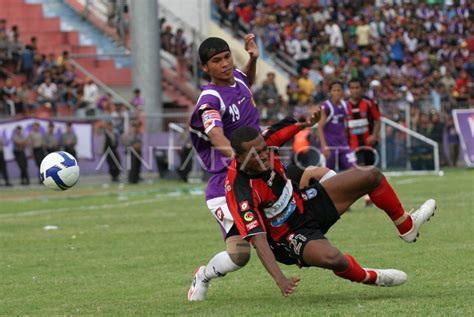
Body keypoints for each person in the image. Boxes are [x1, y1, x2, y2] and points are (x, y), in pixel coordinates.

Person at [225, 113, 436, 297]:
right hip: (287, 236)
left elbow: (292, 125)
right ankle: (372, 277)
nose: (264, 156)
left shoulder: (266, 142)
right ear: (238, 157)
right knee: (334, 258)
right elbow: (259, 240)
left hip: (304, 203)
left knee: (370, 175)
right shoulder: (240, 190)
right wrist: (280, 279)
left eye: (264, 150)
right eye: (256, 154)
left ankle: (407, 227)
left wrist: (308, 120)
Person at [188, 34, 260, 301]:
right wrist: (241, 159)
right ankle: (203, 275)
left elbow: (246, 79)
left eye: (227, 56)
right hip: (226, 182)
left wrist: (252, 58)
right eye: (216, 61)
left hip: (257, 173)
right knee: (240, 256)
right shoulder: (209, 99)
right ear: (206, 68)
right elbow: (216, 134)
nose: (225, 64)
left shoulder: (238, 78)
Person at [318, 81, 356, 171]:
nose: (337, 93)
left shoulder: (345, 105)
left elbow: (346, 125)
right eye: (334, 90)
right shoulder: (326, 106)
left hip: (343, 146)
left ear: (342, 91)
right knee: (327, 176)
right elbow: (320, 127)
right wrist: (324, 146)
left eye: (339, 90)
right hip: (330, 147)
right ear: (330, 92)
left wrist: (349, 141)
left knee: (354, 170)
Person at [346, 78, 381, 167]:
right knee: (359, 169)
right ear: (349, 90)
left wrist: (374, 135)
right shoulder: (344, 105)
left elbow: (377, 120)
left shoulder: (369, 103)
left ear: (362, 89)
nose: (355, 90)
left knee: (370, 170)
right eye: (352, 88)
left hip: (368, 143)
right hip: (352, 145)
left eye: (357, 88)